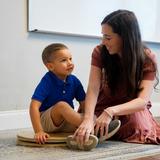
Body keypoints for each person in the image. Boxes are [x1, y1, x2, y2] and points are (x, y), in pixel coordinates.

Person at [74, 10, 160, 145]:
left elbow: (142, 101)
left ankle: (103, 131)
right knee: (88, 120)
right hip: (104, 101)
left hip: (129, 106)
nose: (103, 42)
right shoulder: (99, 51)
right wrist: (88, 118)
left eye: (108, 38)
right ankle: (99, 129)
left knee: (137, 126)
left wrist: (110, 112)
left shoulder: (147, 58)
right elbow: (93, 88)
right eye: (103, 36)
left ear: (125, 37)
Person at [29, 43, 99, 147]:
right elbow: (34, 106)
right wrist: (38, 131)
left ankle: (84, 135)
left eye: (70, 59)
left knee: (90, 115)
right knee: (62, 105)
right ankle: (95, 127)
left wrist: (85, 116)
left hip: (65, 121)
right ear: (50, 66)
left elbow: (84, 103)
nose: (70, 63)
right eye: (64, 60)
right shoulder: (47, 81)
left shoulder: (74, 80)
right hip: (47, 121)